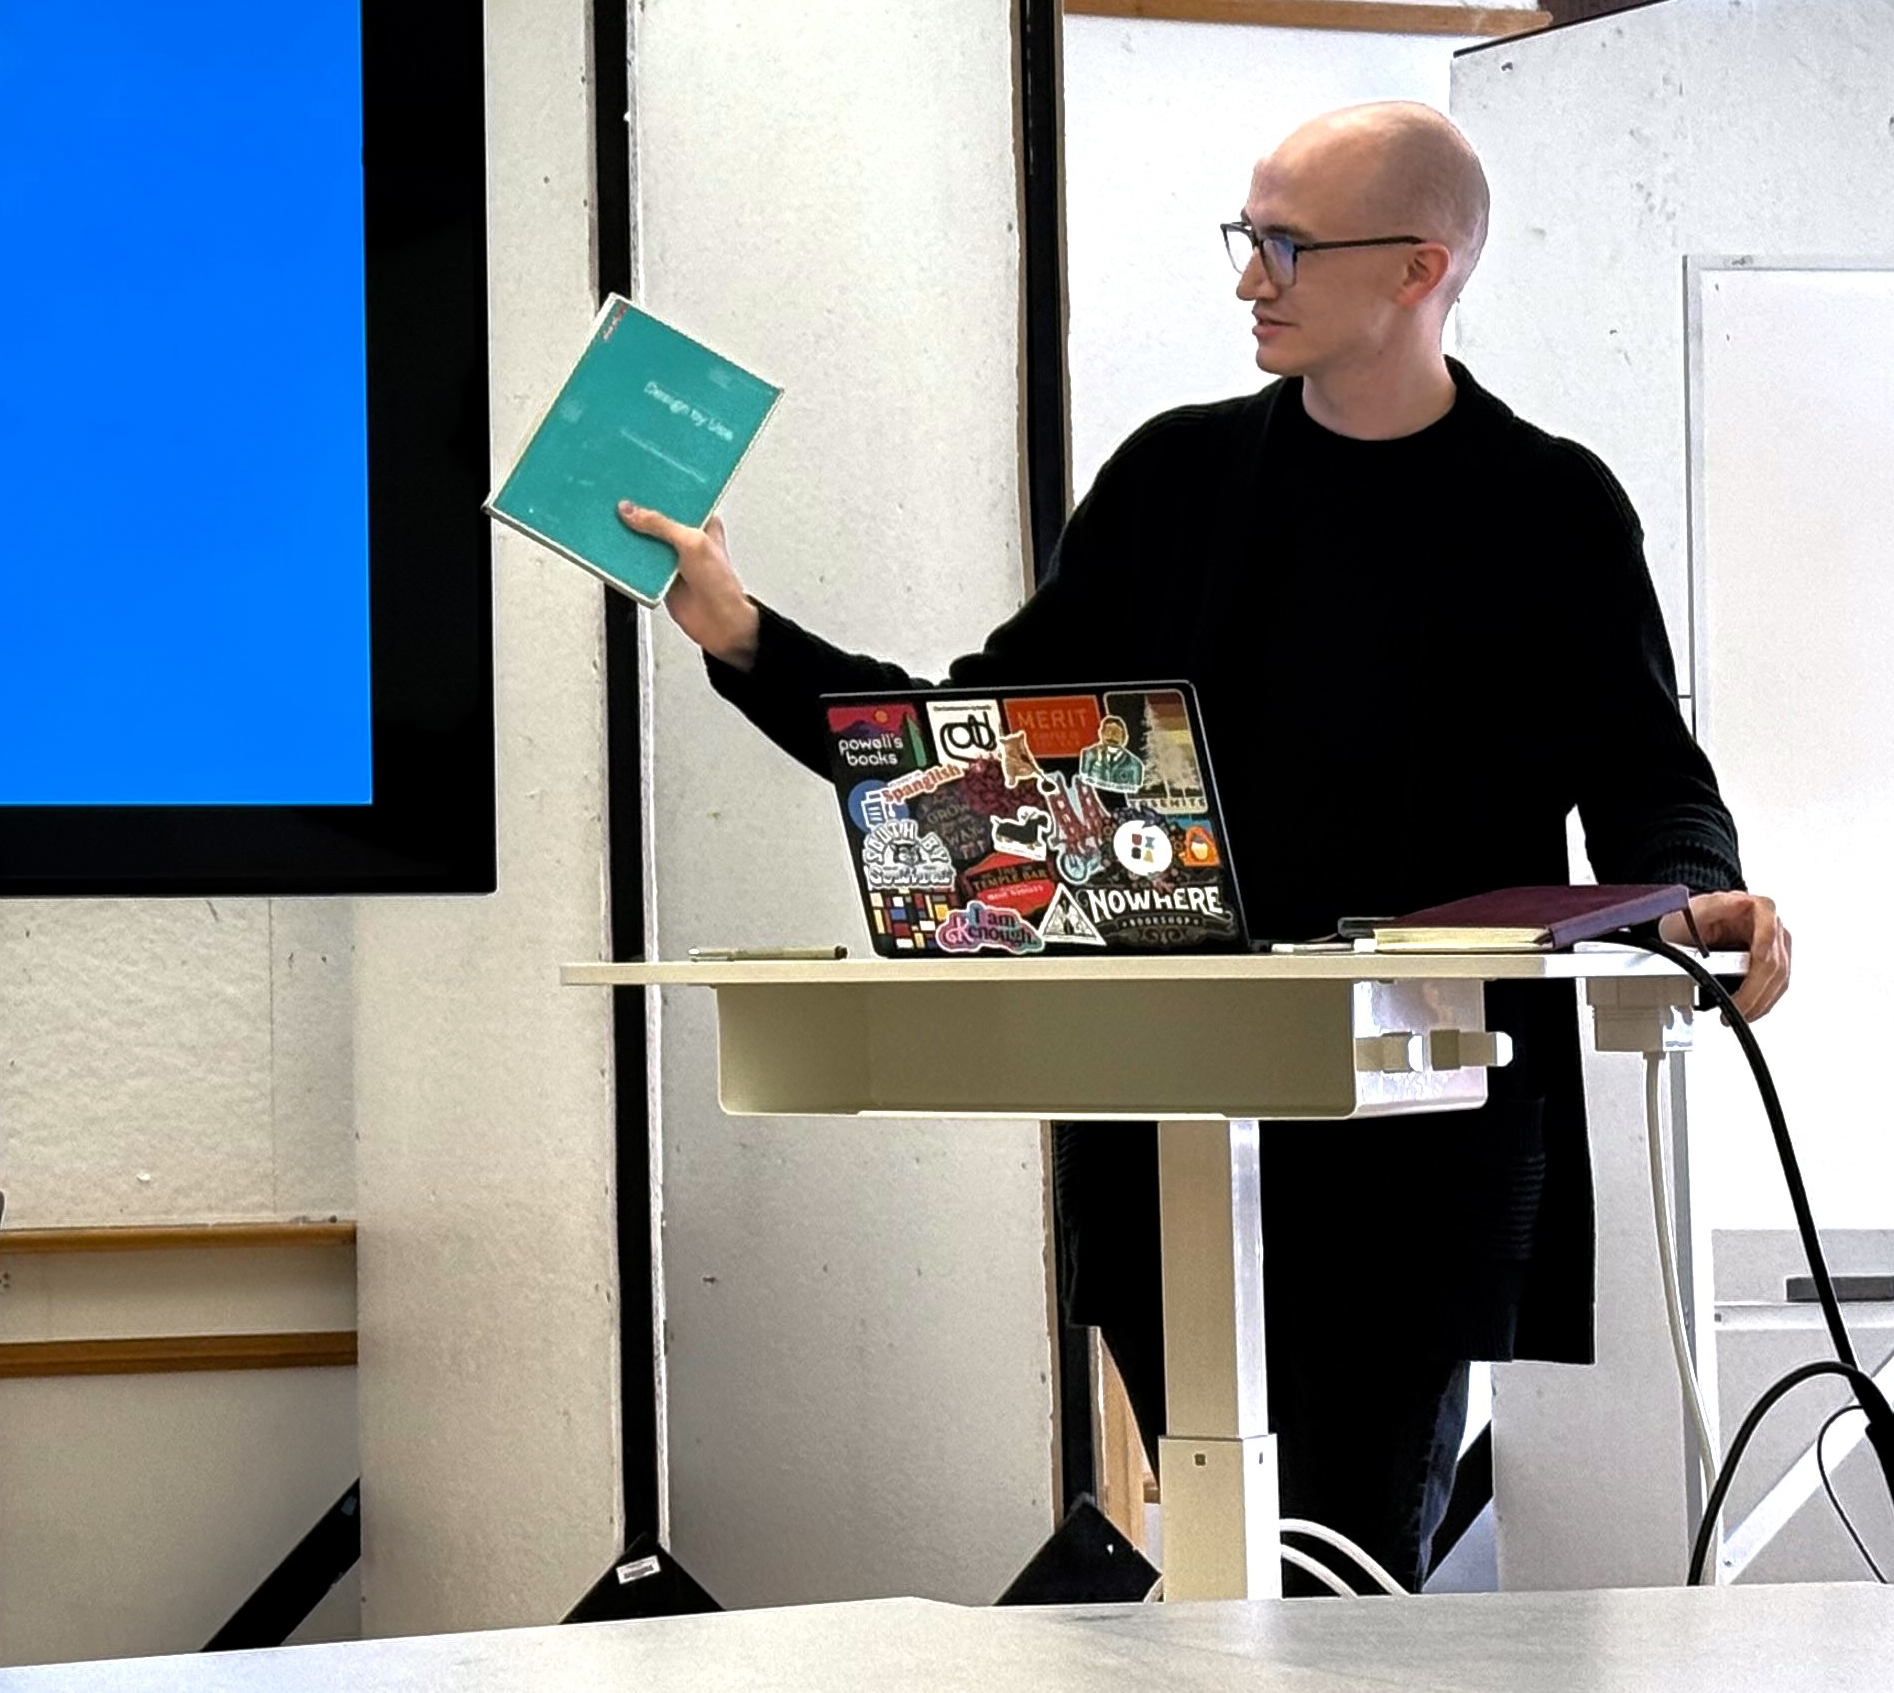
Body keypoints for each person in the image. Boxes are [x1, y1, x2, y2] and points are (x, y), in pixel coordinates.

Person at [621, 100, 1791, 1592]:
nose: (1249, 278)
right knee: (1224, 1562)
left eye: (1287, 245)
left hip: (1418, 1129)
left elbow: (1645, 777)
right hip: (1164, 1117)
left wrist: (1699, 902)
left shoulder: (1546, 507)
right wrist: (744, 637)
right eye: (1247, 237)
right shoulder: (1174, 481)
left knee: (1346, 1572)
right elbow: (968, 749)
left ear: (1420, 267)